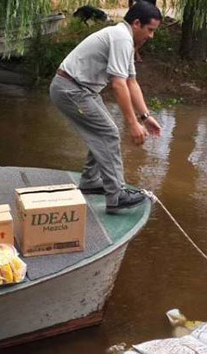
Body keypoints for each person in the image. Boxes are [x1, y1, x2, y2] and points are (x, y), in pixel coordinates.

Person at [50, 1, 163, 214]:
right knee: (109, 132)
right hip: (70, 89)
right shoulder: (121, 37)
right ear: (137, 23)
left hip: (81, 90)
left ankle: (91, 181)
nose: (151, 36)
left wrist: (145, 117)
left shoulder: (125, 40)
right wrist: (132, 123)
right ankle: (116, 196)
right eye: (150, 30)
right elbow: (118, 84)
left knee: (104, 130)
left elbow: (131, 82)